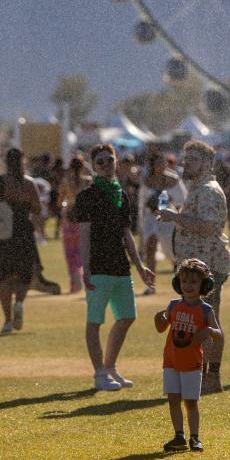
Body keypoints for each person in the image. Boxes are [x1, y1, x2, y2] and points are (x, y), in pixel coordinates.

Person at [75, 144, 156, 391]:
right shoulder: (87, 196)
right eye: (100, 162)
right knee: (95, 321)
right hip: (98, 266)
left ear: (116, 162)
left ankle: (110, 367)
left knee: (127, 316)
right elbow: (84, 235)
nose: (106, 165)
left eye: (109, 160)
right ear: (93, 165)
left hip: (120, 265)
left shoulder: (121, 194)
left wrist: (140, 267)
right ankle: (99, 373)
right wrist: (85, 268)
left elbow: (126, 234)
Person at [159, 140, 230, 394]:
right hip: (199, 267)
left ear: (208, 163)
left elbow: (210, 227)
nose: (186, 164)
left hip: (208, 267)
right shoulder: (199, 188)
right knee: (200, 322)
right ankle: (203, 376)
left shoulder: (209, 190)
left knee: (208, 321)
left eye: (193, 160)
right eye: (186, 159)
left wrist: (175, 217)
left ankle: (212, 377)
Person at [154, 258, 223, 453]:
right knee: (173, 399)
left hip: (192, 363)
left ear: (204, 285)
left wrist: (209, 330)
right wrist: (157, 320)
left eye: (193, 282)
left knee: (191, 402)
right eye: (184, 281)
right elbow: (161, 328)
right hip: (171, 361)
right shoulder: (173, 305)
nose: (188, 286)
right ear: (178, 283)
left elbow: (219, 336)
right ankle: (179, 436)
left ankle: (195, 437)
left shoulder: (205, 309)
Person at [0, 148, 42, 332]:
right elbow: (38, 209)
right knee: (26, 275)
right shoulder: (29, 184)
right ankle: (19, 302)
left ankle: (7, 320)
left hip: (3, 235)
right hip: (24, 232)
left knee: (4, 277)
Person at [138, 151, 186, 283]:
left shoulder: (173, 179)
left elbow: (182, 199)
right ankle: (150, 283)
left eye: (162, 162)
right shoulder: (147, 181)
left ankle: (180, 278)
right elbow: (142, 202)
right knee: (150, 246)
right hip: (151, 217)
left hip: (168, 218)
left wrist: (170, 199)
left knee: (171, 250)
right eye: (158, 162)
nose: (161, 165)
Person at [58, 156, 92, 294]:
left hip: (70, 219)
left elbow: (59, 201)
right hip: (84, 220)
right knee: (84, 251)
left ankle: (75, 280)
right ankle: (86, 278)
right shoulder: (88, 182)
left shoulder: (66, 182)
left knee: (70, 252)